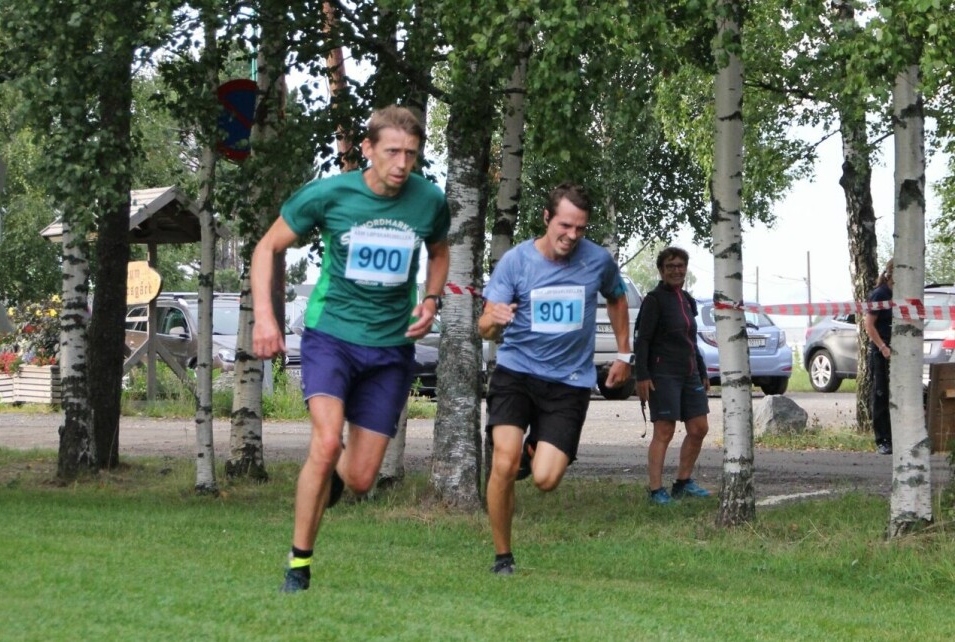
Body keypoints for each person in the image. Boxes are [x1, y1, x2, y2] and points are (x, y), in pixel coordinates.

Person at [251, 105, 450, 593]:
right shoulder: (330, 193)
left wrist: (429, 298)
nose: (402, 164)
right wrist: (265, 316)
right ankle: (299, 566)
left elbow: (440, 251)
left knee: (361, 479)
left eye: (411, 154)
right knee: (324, 441)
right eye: (391, 152)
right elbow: (266, 247)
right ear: (367, 149)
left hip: (390, 349)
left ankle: (332, 482)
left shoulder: (428, 201)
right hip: (332, 337)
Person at [478, 183, 632, 575]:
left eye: (581, 228)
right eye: (565, 226)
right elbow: (485, 328)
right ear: (547, 218)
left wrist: (623, 353)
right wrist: (492, 323)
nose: (572, 236)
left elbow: (616, 297)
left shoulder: (597, 260)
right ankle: (502, 557)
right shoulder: (516, 262)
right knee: (503, 462)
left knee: (545, 479)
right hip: (516, 372)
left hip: (570, 382)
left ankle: (535, 451)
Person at [634, 246, 712, 505]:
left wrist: (701, 371)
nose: (676, 270)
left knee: (699, 428)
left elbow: (691, 340)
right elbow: (642, 340)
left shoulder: (687, 299)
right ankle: (656, 490)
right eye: (670, 266)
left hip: (689, 373)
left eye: (680, 266)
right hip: (662, 374)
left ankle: (683, 482)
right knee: (664, 431)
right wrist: (642, 375)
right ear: (661, 270)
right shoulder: (654, 300)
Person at [864, 259, 893, 455]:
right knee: (881, 394)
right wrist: (882, 347)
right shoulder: (880, 294)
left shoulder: (900, 294)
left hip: (898, 350)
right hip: (881, 351)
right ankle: (882, 439)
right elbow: (869, 326)